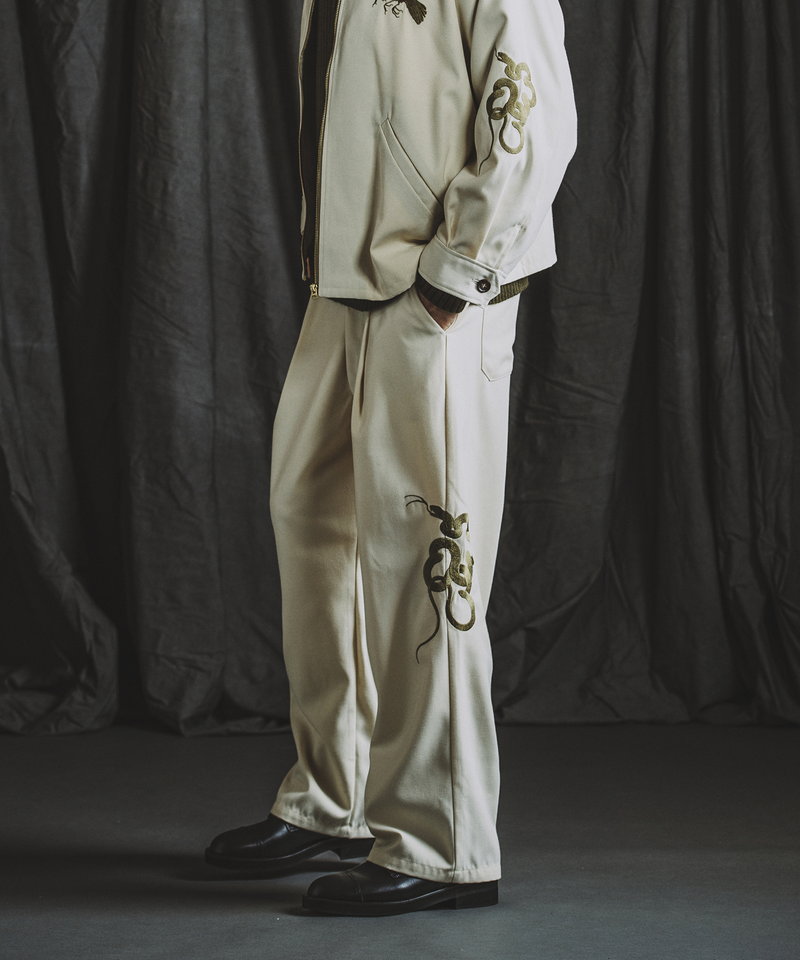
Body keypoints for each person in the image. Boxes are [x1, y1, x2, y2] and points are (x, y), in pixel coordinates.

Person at [205, 0, 577, 917]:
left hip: (434, 296)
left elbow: (533, 121)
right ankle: (335, 798)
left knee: (427, 559)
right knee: (314, 528)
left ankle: (443, 842)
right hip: (343, 282)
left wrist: (454, 274)